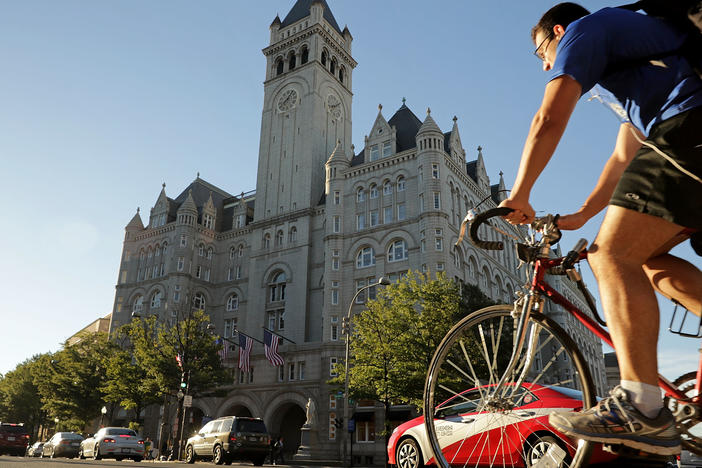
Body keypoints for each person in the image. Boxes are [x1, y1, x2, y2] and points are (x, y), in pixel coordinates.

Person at [499, 2, 702, 456]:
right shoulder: (642, 73)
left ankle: (640, 407)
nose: (547, 65)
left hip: (691, 128)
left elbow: (548, 118)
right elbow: (621, 158)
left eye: (541, 54)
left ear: (557, 32)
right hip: (685, 134)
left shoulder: (585, 30)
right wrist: (579, 217)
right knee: (643, 258)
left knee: (609, 255)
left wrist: (519, 193)